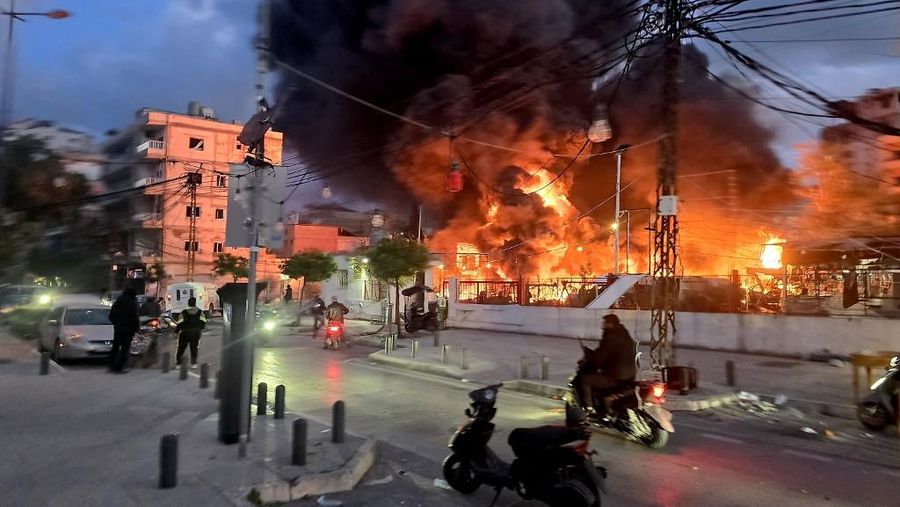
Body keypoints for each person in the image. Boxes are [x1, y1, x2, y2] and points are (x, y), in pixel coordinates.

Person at [580, 314, 637, 414]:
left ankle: (589, 409)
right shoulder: (625, 335)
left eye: (605, 323)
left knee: (586, 380)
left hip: (615, 377)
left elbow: (599, 358)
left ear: (610, 324)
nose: (603, 326)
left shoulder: (610, 338)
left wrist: (589, 355)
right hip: (630, 376)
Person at [108, 287, 140, 373]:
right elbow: (134, 316)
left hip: (118, 328)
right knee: (125, 348)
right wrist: (136, 327)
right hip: (128, 329)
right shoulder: (133, 302)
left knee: (115, 347)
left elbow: (111, 315)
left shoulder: (118, 301)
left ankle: (112, 366)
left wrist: (116, 323)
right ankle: (119, 367)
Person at [175, 296, 207, 368]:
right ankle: (193, 364)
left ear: (188, 303)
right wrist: (200, 328)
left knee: (181, 348)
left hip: (185, 332)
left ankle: (178, 363)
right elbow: (203, 321)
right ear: (195, 303)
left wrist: (176, 331)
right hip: (196, 332)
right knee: (194, 348)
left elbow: (179, 322)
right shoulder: (200, 311)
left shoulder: (183, 312)